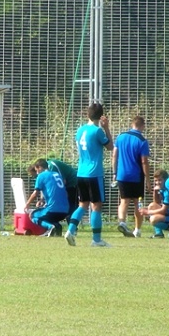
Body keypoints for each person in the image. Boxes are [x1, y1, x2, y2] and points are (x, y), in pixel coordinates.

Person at [65, 103, 113, 247]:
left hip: (81, 172)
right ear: (101, 116)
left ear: (87, 114)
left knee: (82, 205)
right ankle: (96, 240)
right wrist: (106, 128)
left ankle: (70, 231)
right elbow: (110, 146)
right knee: (96, 206)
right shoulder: (97, 131)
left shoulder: (80, 130)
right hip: (94, 173)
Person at [112, 116, 151, 238]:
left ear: (132, 124)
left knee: (124, 201)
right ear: (142, 126)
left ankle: (122, 222)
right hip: (136, 176)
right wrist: (148, 179)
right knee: (137, 202)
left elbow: (114, 155)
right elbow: (144, 161)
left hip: (122, 175)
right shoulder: (142, 140)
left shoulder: (120, 137)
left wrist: (114, 173)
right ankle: (137, 230)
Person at [24, 158, 69, 237]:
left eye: (37, 170)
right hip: (65, 211)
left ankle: (50, 227)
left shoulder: (41, 176)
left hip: (53, 210)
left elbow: (35, 193)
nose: (37, 173)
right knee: (47, 214)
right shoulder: (57, 174)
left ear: (39, 167)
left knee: (32, 215)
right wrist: (43, 200)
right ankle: (57, 228)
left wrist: (27, 204)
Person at [28, 158, 77, 223]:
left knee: (70, 207)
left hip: (73, 182)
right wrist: (42, 199)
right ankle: (56, 225)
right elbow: (45, 186)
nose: (37, 175)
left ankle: (72, 227)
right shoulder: (46, 172)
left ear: (39, 167)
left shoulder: (52, 168)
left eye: (36, 174)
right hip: (66, 184)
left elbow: (63, 182)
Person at [141, 169, 169, 238]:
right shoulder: (162, 189)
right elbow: (156, 203)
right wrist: (155, 191)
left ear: (166, 180)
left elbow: (163, 210)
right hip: (168, 214)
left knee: (153, 219)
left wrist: (147, 212)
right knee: (152, 206)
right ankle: (159, 233)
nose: (157, 183)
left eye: (160, 180)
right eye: (156, 180)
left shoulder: (168, 191)